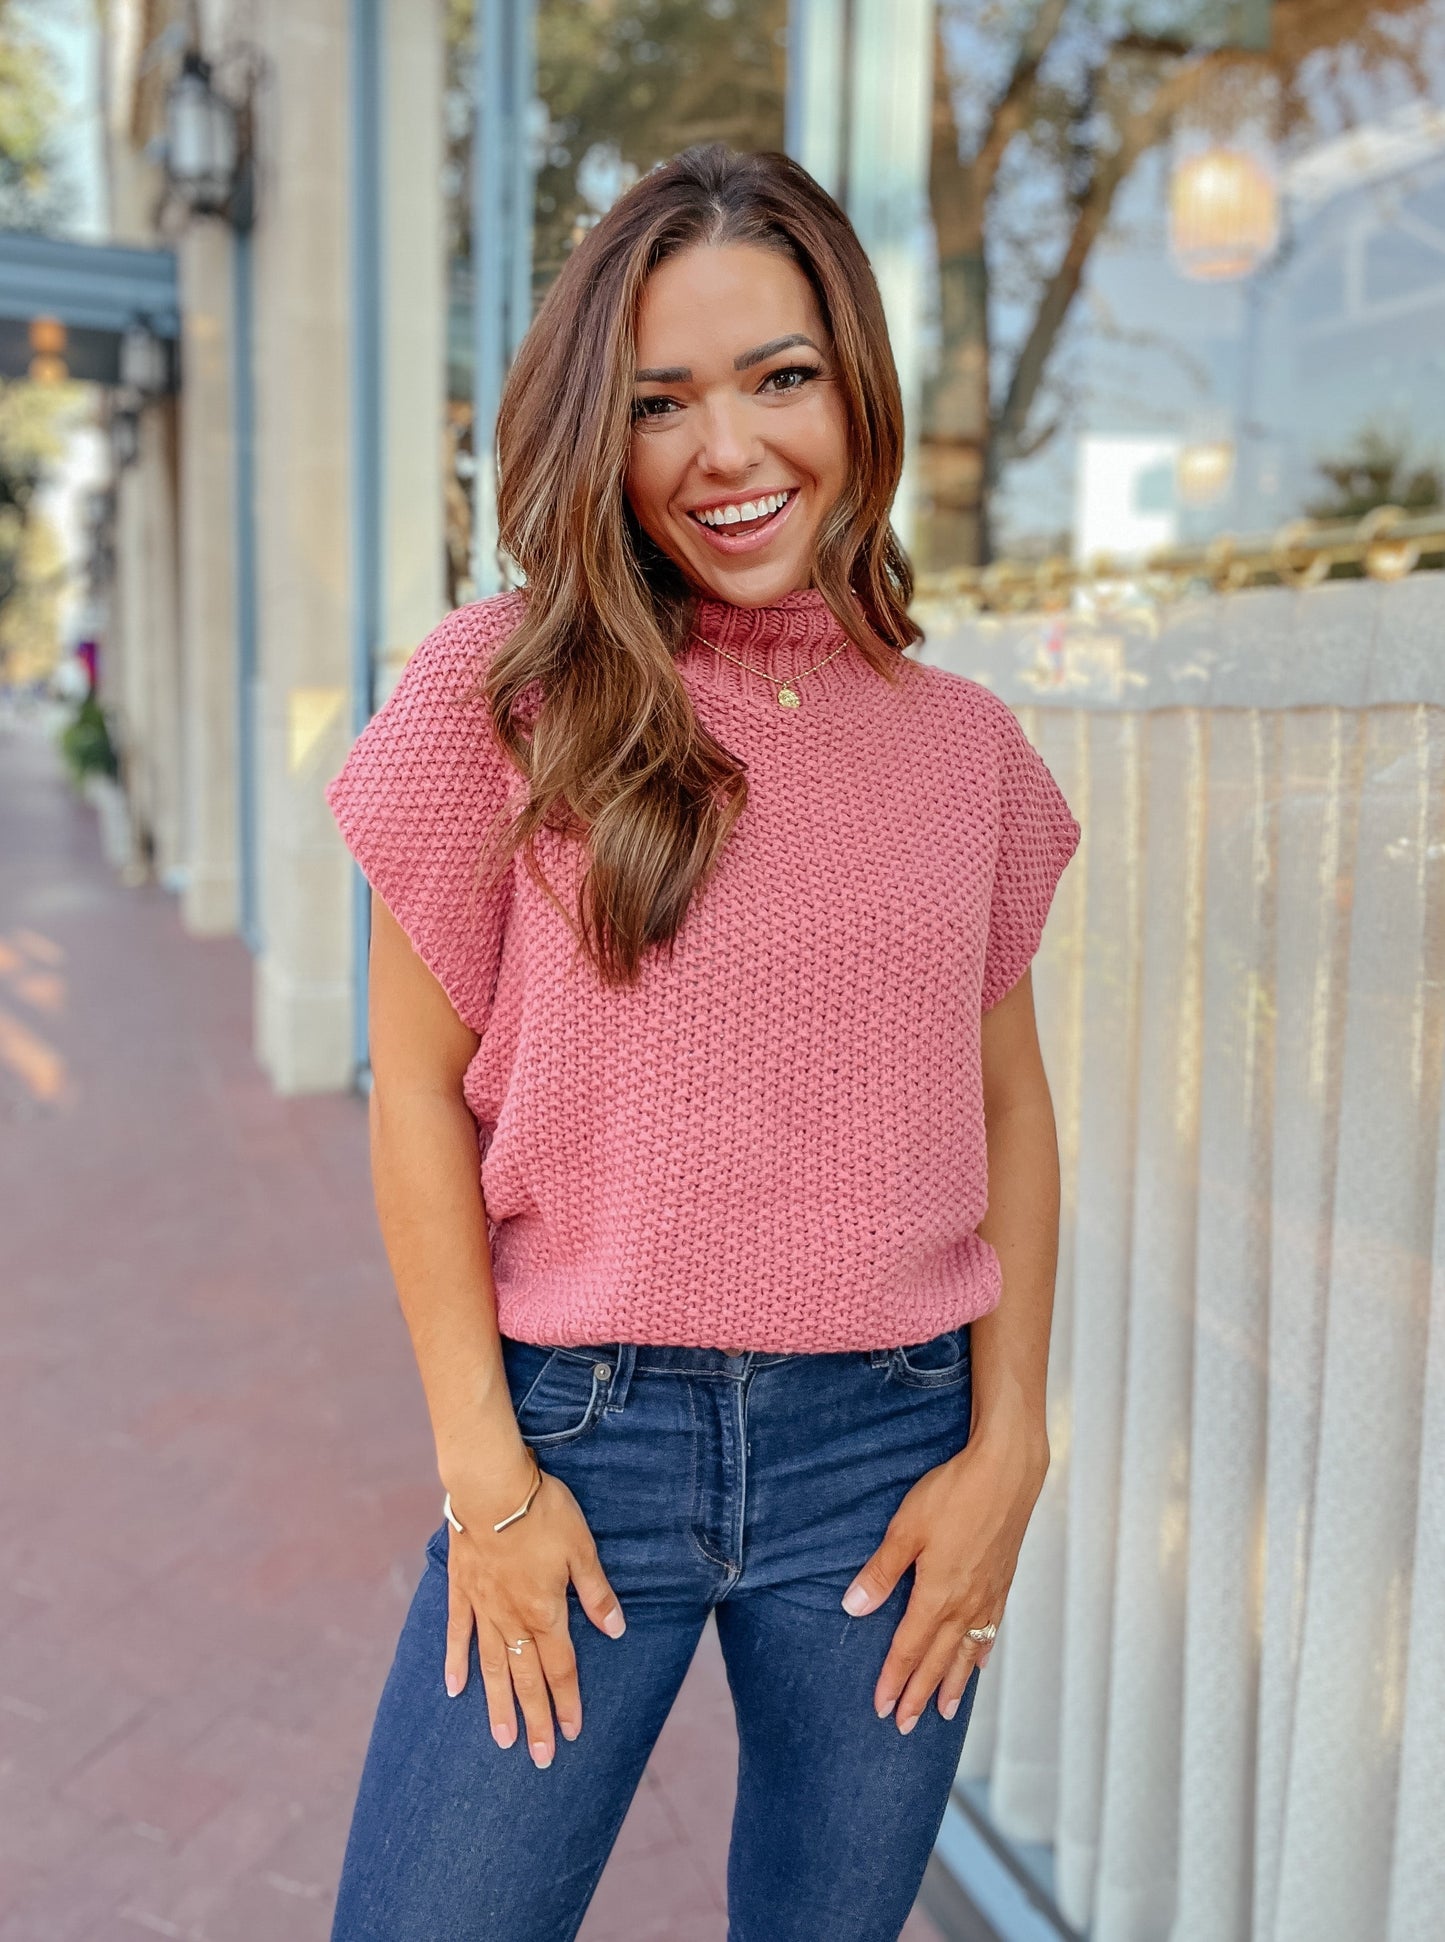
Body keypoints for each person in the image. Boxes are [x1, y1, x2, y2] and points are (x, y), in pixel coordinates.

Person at [324, 143, 1080, 1942]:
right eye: (660, 402)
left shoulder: (960, 743)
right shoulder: (499, 692)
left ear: (855, 388)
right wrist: (483, 1477)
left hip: (887, 1453)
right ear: (601, 430)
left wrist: (1011, 1442)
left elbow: (1005, 1102)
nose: (728, 452)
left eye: (779, 378)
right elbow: (415, 1095)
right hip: (583, 1440)